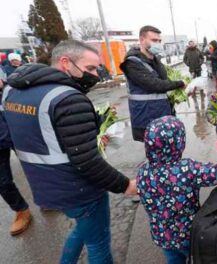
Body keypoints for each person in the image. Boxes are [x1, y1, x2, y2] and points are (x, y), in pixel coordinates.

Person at [2, 40, 137, 264]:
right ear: (65, 62)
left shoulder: (13, 91)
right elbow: (87, 161)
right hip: (78, 188)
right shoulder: (68, 98)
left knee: (84, 229)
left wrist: (95, 121)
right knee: (98, 243)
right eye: (90, 68)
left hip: (46, 185)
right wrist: (125, 185)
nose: (95, 74)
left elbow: (42, 133)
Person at [137, 116, 217, 264]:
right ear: (179, 143)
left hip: (162, 236)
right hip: (188, 235)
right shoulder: (186, 169)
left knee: (173, 260)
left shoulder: (142, 171)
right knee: (195, 258)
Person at [120, 25, 186, 142]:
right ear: (141, 40)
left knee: (169, 151)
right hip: (146, 118)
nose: (158, 44)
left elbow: (164, 85)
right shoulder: (132, 63)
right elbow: (154, 84)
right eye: (154, 40)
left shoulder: (156, 61)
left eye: (159, 41)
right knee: (155, 155)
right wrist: (179, 83)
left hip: (162, 114)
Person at [0, 65, 32, 236]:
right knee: (3, 183)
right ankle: (21, 210)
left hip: (16, 132)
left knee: (35, 167)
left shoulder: (11, 90)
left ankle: (46, 198)